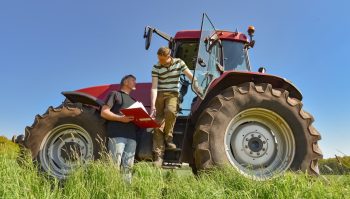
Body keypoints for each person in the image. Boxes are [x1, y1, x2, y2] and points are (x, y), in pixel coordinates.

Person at [150, 46, 201, 167]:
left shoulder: (179, 63)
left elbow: (190, 76)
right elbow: (154, 87)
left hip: (173, 94)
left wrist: (197, 87)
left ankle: (168, 137)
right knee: (157, 125)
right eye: (159, 59)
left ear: (169, 56)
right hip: (160, 94)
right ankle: (158, 156)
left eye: (162, 59)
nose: (160, 62)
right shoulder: (156, 67)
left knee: (170, 111)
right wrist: (152, 105)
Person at [101, 74, 138, 184]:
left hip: (132, 138)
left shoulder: (134, 101)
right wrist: (121, 119)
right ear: (126, 82)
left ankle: (125, 191)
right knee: (114, 165)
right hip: (117, 136)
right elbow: (104, 112)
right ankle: (112, 189)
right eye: (133, 80)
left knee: (128, 168)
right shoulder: (114, 94)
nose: (135, 82)